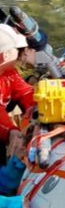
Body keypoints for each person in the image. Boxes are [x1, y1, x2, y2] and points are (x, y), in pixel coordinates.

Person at [0, 24, 35, 164]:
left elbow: (25, 91)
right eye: (18, 50)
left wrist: (36, 107)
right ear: (6, 55)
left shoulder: (8, 73)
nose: (23, 54)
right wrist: (11, 130)